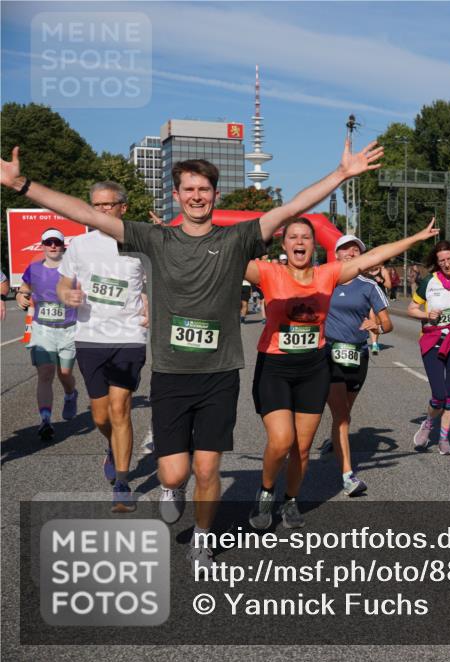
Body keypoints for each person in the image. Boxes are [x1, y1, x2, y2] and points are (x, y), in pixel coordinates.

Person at [2, 136, 385, 568]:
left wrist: (340, 174)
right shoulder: (155, 239)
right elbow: (88, 213)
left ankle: (203, 536)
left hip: (220, 374)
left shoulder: (240, 239)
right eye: (189, 189)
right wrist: (23, 186)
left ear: (214, 195)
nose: (197, 196)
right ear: (177, 194)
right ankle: (171, 487)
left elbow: (291, 209)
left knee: (207, 470)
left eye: (204, 189)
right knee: (175, 473)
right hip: (170, 373)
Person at [247, 221, 434, 523]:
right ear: (284, 246)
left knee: (303, 449)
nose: (299, 241)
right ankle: (266, 492)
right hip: (275, 367)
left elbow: (373, 257)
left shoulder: (328, 274)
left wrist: (416, 237)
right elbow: (227, 255)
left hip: (313, 368)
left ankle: (291, 499)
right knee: (282, 440)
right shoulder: (270, 272)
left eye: (305, 237)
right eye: (292, 237)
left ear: (314, 245)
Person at [57, 181, 148, 512]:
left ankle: (122, 482)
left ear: (123, 207)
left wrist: (150, 308)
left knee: (120, 407)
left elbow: (153, 283)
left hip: (128, 336)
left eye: (107, 205)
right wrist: (67, 295)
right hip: (90, 336)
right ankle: (111, 446)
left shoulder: (139, 241)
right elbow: (63, 283)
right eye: (95, 205)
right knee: (100, 414)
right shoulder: (79, 245)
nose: (100, 211)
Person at [318, 234, 395, 496]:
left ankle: (334, 439)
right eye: (345, 249)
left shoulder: (369, 286)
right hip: (328, 353)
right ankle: (348, 476)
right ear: (336, 253)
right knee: (342, 415)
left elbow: (388, 324)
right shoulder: (323, 279)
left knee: (345, 413)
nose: (351, 253)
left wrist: (377, 327)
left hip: (357, 355)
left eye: (356, 250)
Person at [407, 241, 450, 455]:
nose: (446, 264)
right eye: (441, 261)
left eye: (449, 259)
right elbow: (411, 309)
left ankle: (444, 440)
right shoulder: (429, 281)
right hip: (432, 341)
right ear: (437, 262)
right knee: (439, 394)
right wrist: (426, 315)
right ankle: (429, 423)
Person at [16, 228, 79, 440]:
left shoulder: (74, 270)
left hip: (69, 330)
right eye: (48, 242)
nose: (53, 246)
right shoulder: (34, 269)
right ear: (42, 245)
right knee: (45, 373)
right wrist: (21, 297)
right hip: (42, 329)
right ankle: (45, 420)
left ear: (63, 246)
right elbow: (24, 288)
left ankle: (70, 394)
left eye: (56, 242)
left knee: (64, 374)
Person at [365, 262, 391, 354]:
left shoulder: (383, 271)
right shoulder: (366, 271)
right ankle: (374, 343)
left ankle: (375, 343)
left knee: (378, 322)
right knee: (372, 320)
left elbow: (389, 285)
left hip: (379, 299)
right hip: (368, 298)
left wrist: (381, 281)